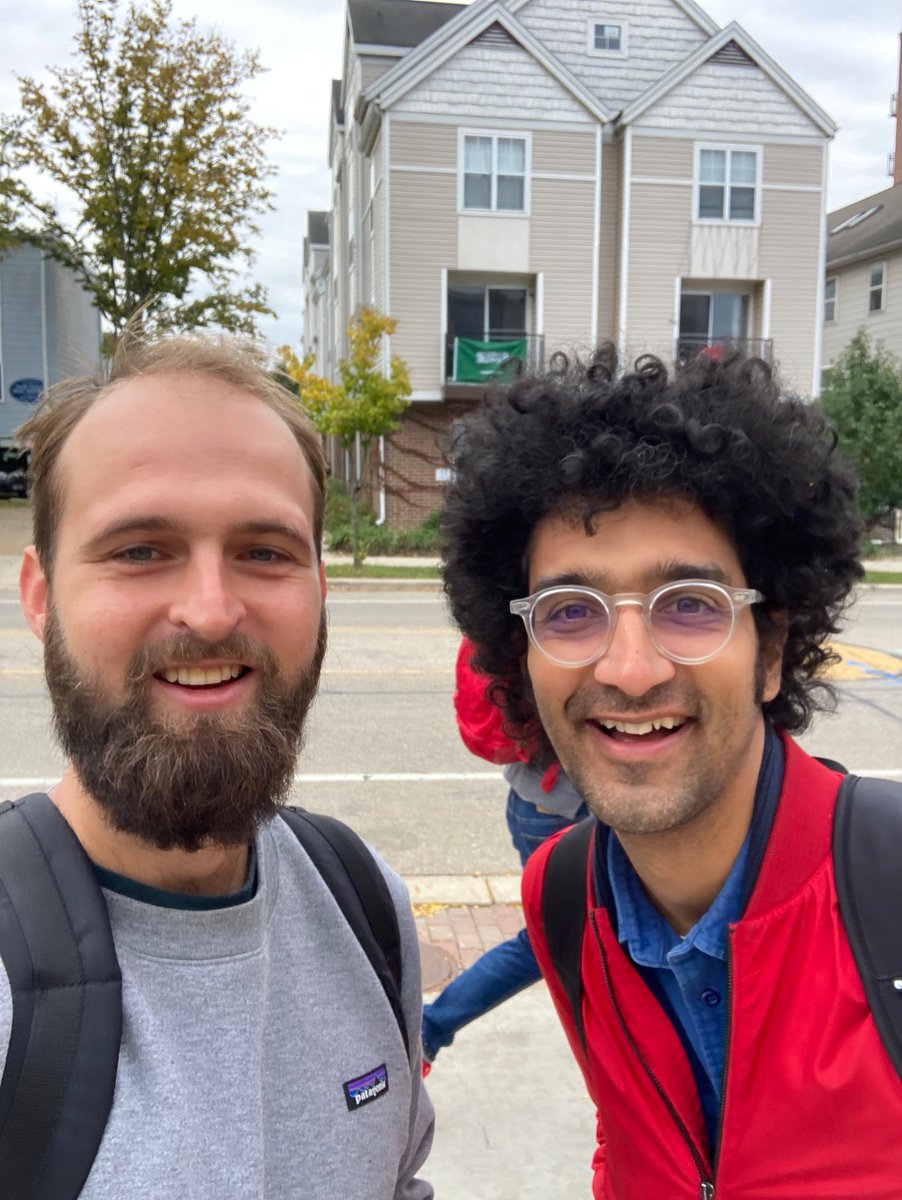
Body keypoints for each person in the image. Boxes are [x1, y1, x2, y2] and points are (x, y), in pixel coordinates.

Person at [439, 346, 902, 1196]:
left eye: (689, 605)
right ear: (522, 660)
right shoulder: (563, 899)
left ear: (771, 653)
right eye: (570, 611)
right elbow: (631, 1143)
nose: (630, 668)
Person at [5, 332, 433, 1198]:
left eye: (265, 552)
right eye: (139, 549)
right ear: (40, 598)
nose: (209, 611)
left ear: (320, 589)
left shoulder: (365, 906)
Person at [421, 638, 589, 1066]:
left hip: (531, 802)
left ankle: (429, 1028)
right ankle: (429, 1027)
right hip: (566, 810)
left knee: (569, 942)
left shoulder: (517, 616)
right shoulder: (564, 630)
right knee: (551, 944)